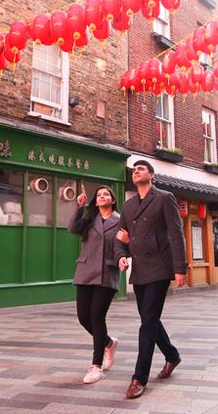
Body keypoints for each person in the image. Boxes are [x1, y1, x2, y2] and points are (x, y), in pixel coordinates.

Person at [115, 160, 187, 400]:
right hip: (140, 271)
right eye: (134, 169)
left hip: (160, 267)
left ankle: (139, 378)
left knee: (147, 323)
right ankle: (172, 355)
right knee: (149, 319)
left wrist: (181, 268)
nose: (136, 171)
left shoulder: (165, 198)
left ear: (152, 175)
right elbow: (120, 237)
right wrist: (122, 256)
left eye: (141, 169)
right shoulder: (128, 205)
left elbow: (176, 233)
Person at [67, 185, 121, 385]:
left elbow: (122, 245)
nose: (102, 196)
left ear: (112, 200)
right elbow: (73, 228)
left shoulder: (119, 220)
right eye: (99, 195)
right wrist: (79, 207)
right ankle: (108, 342)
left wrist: (123, 258)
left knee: (97, 317)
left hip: (107, 273)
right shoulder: (89, 218)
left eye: (106, 194)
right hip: (85, 271)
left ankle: (96, 366)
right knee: (84, 318)